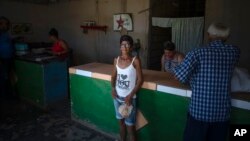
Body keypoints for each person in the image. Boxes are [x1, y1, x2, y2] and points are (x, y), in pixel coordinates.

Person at [173, 22, 240, 141]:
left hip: (199, 112)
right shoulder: (234, 52)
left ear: (209, 35)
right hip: (222, 113)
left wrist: (182, 68)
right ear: (226, 37)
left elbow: (181, 77)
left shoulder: (197, 52)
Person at [111, 35, 143, 141]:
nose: (124, 46)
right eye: (122, 44)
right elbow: (113, 77)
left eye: (127, 44)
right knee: (121, 125)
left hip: (129, 100)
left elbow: (140, 80)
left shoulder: (135, 61)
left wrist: (130, 95)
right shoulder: (116, 60)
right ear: (120, 46)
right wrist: (113, 88)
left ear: (131, 46)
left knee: (130, 128)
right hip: (117, 99)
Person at [0, 16, 14, 98]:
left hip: (9, 58)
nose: (4, 25)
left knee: (9, 77)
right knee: (3, 77)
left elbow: (9, 43)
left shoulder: (6, 34)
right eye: (2, 23)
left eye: (6, 24)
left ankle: (9, 93)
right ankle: (4, 95)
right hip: (2, 59)